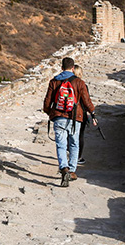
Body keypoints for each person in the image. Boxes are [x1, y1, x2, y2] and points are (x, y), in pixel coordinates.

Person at [43, 57, 96, 187]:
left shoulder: (54, 81)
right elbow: (86, 100)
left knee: (61, 145)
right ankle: (72, 170)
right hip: (75, 118)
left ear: (61, 67)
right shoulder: (79, 82)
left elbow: (47, 102)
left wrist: (51, 113)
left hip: (59, 117)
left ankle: (64, 168)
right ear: (73, 68)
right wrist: (92, 113)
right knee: (74, 143)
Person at [74, 65, 88, 165]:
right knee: (80, 135)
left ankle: (69, 153)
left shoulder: (66, 83)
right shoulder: (83, 85)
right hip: (80, 114)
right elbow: (86, 101)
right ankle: (78, 157)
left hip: (67, 113)